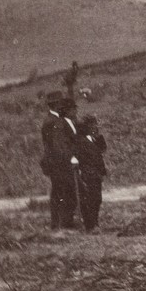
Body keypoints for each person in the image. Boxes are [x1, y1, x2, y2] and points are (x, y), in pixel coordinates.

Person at [40, 94, 82, 231]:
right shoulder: (53, 122)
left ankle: (62, 222)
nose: (62, 106)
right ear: (56, 105)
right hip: (58, 163)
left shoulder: (54, 120)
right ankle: (60, 223)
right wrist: (70, 159)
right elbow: (59, 146)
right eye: (60, 104)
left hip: (57, 162)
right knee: (61, 192)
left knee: (62, 191)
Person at [73, 111, 108, 232]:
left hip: (96, 172)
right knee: (90, 199)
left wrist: (97, 136)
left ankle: (95, 222)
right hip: (88, 172)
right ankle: (90, 224)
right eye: (93, 125)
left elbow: (103, 149)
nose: (95, 127)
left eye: (95, 125)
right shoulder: (81, 140)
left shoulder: (94, 139)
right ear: (86, 126)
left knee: (97, 198)